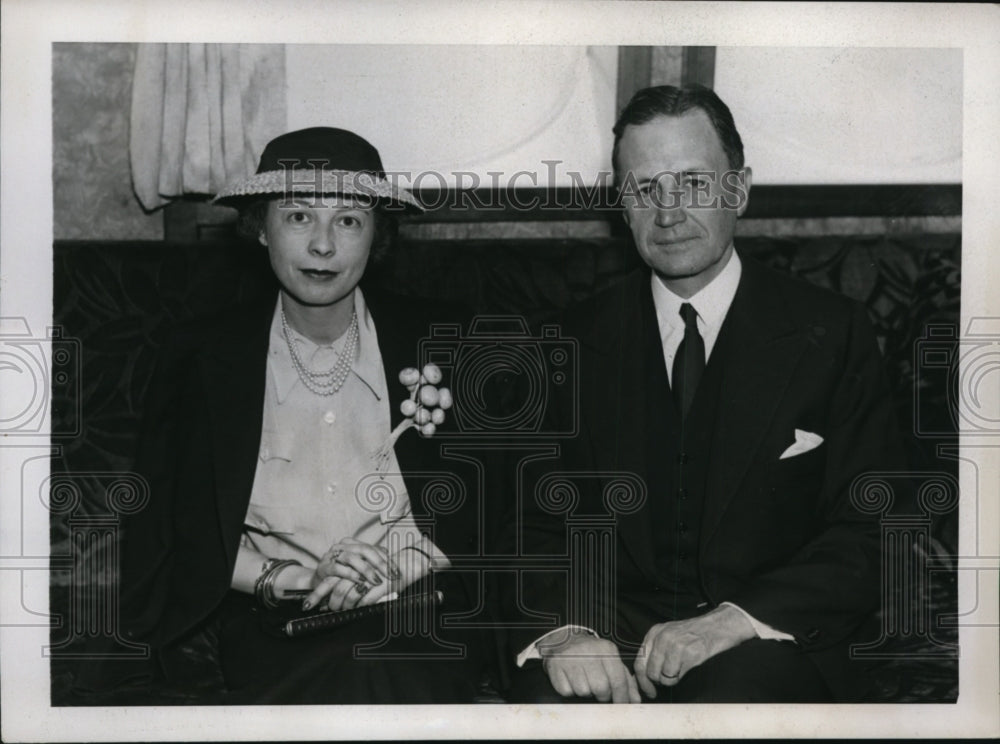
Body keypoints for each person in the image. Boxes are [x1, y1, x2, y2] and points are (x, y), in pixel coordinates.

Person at [502, 85, 907, 703]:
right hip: (609, 634)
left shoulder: (832, 332)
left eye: (693, 184)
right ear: (622, 207)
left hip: (762, 638)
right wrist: (568, 630)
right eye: (645, 190)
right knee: (553, 704)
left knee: (733, 699)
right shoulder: (566, 342)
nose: (668, 214)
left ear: (739, 191)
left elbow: (875, 526)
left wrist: (736, 619)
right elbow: (530, 523)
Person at [119, 127, 485, 704]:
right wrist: (296, 580)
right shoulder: (199, 356)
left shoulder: (448, 341)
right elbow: (174, 529)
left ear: (375, 237)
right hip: (277, 616)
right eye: (297, 217)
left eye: (348, 220)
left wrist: (397, 566)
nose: (322, 246)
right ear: (261, 229)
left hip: (419, 608)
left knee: (378, 668)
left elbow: (496, 508)